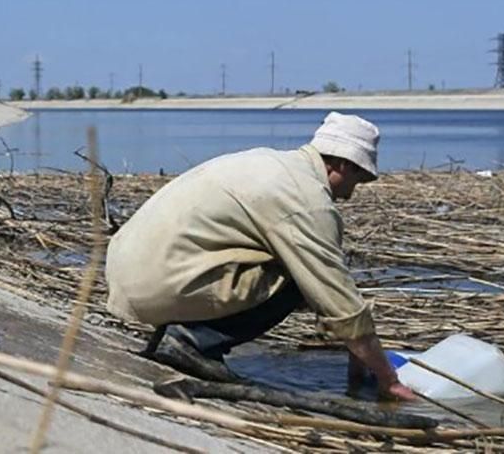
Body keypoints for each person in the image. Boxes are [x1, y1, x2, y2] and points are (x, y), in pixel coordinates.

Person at [104, 112, 415, 401]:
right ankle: (193, 341)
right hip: (160, 282)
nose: (349, 195)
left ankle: (181, 335)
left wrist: (357, 352)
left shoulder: (271, 162)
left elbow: (333, 303)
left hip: (129, 273)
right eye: (355, 182)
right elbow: (338, 300)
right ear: (344, 165)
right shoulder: (307, 201)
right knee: (295, 279)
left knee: (295, 270)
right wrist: (388, 379)